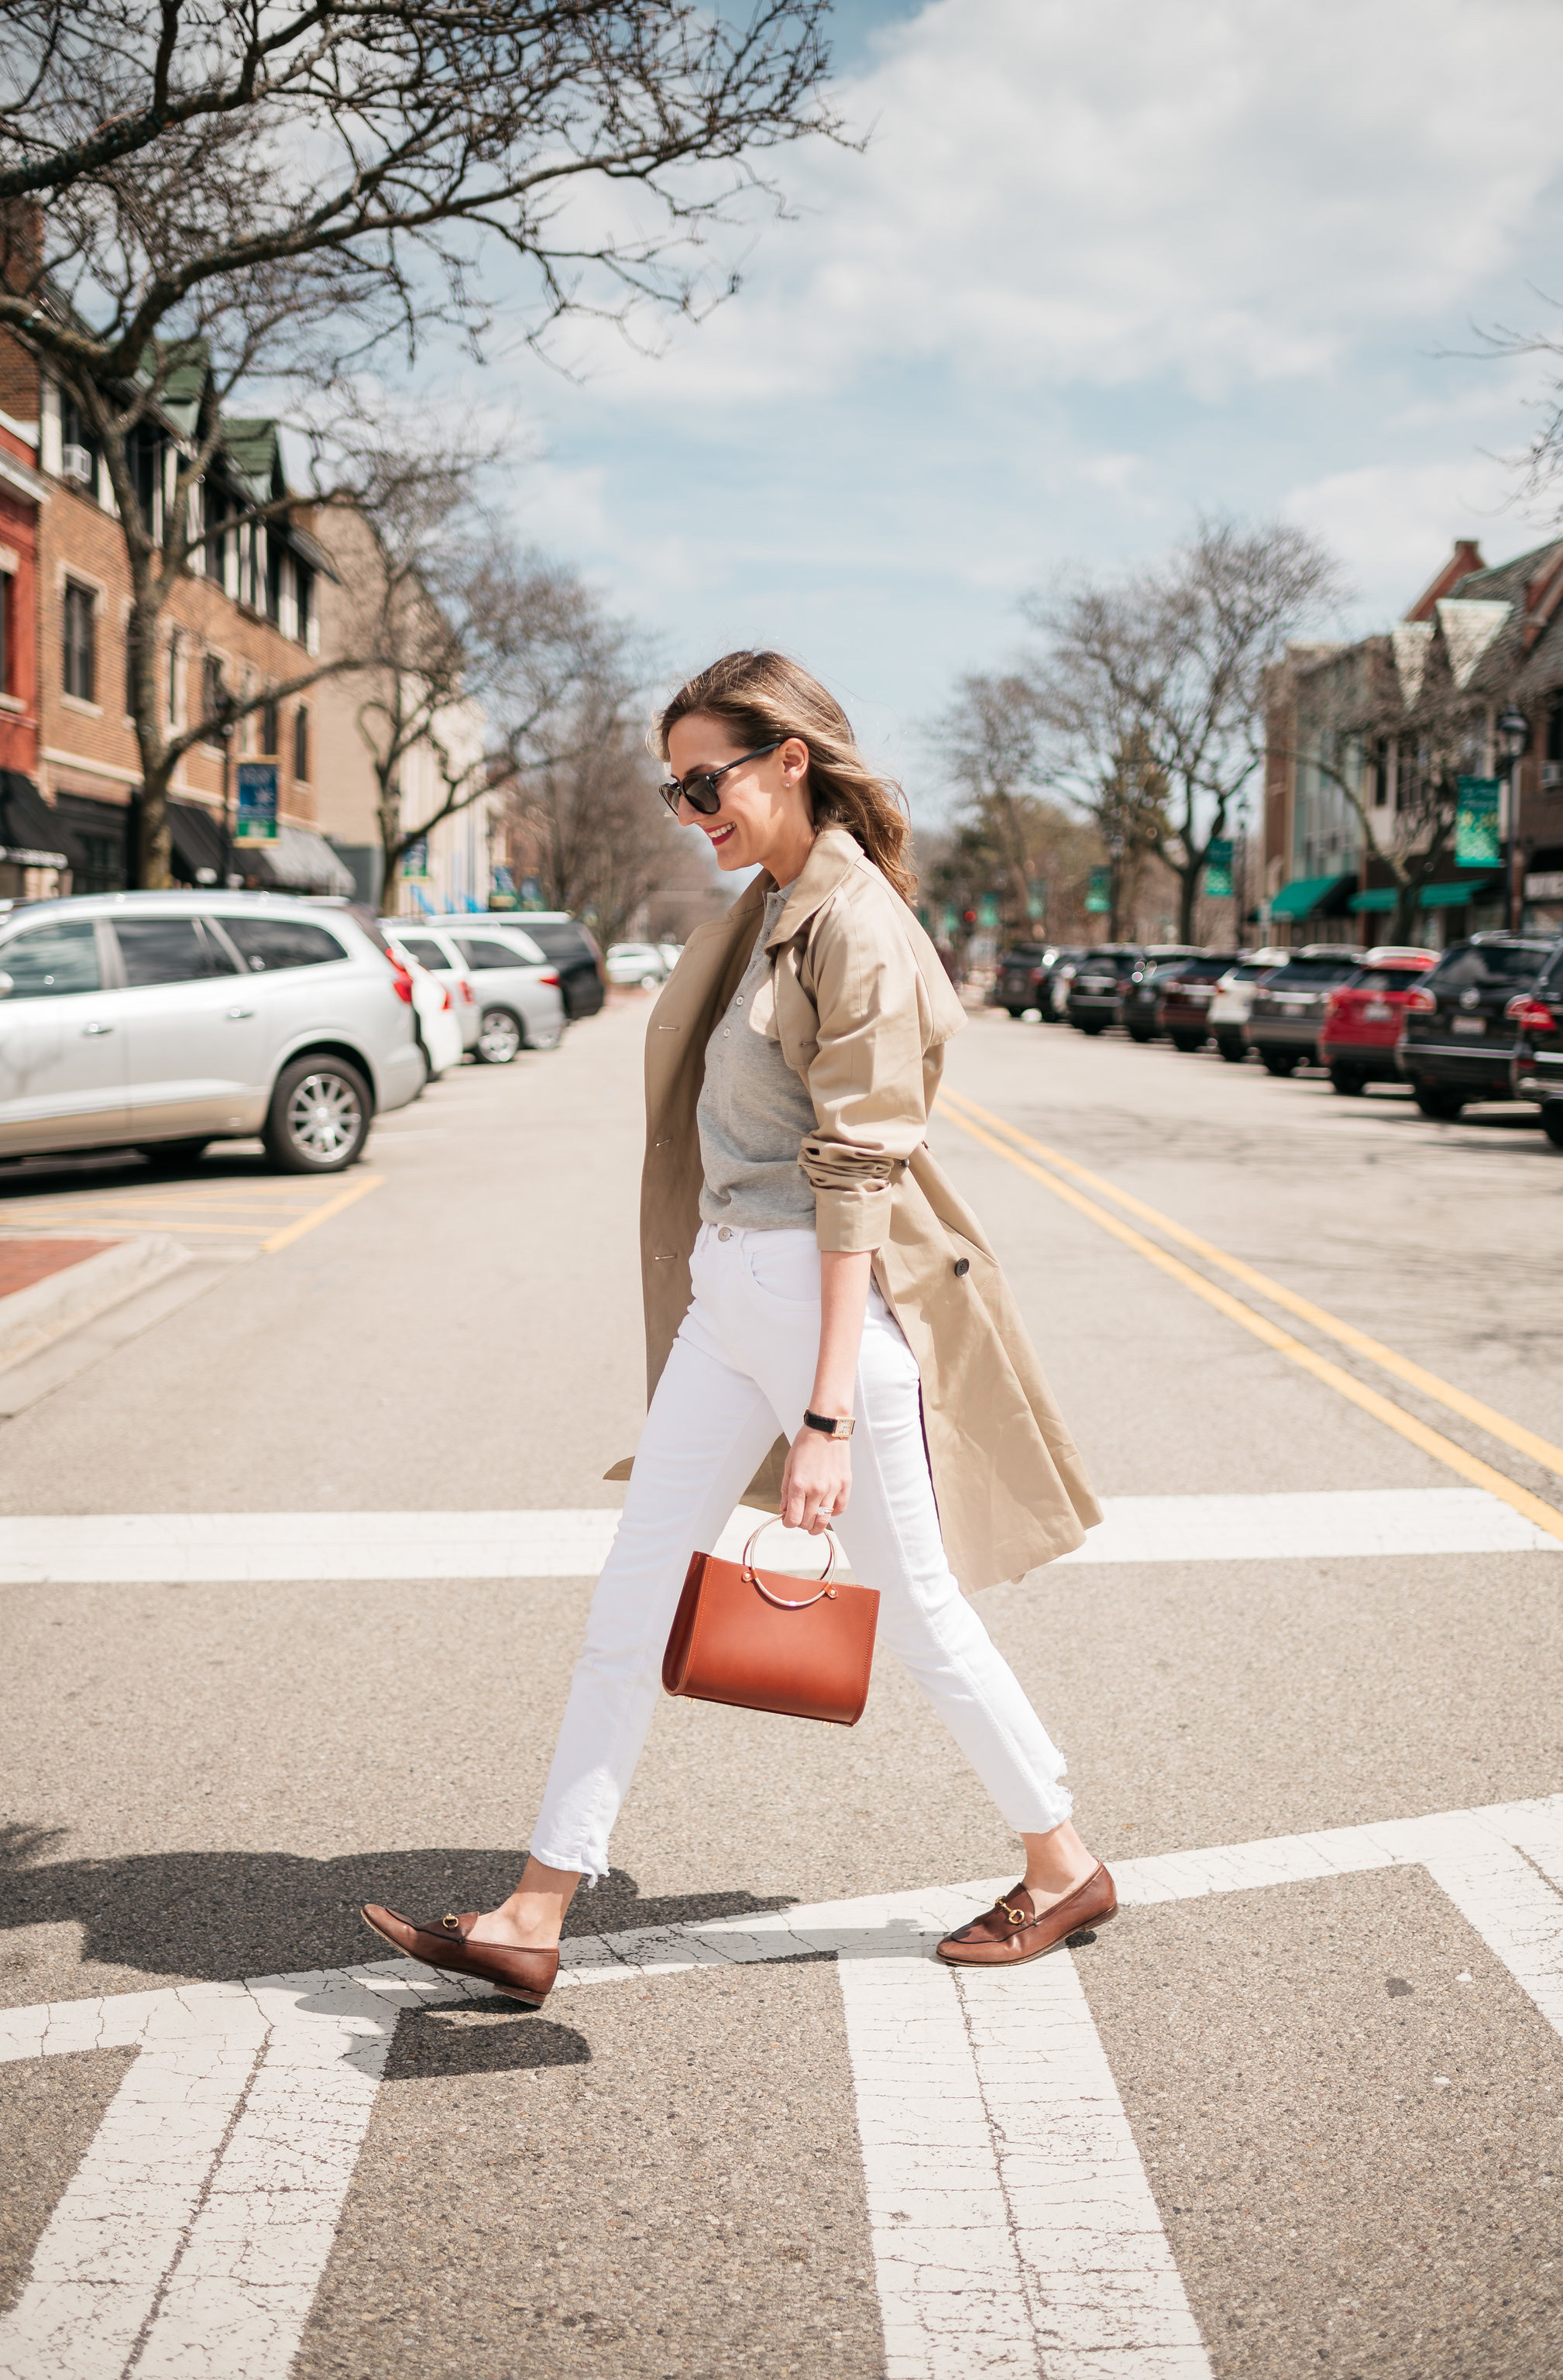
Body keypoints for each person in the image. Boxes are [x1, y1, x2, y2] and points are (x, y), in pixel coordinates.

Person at [362, 652, 1113, 2007]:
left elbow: (859, 1178)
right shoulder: (770, 905)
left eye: (705, 781)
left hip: (825, 1309)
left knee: (924, 1620)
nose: (688, 808)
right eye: (673, 788)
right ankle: (537, 1907)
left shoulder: (855, 927)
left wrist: (824, 1410)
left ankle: (1062, 1864)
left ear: (789, 761)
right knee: (632, 1592)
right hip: (732, 1296)